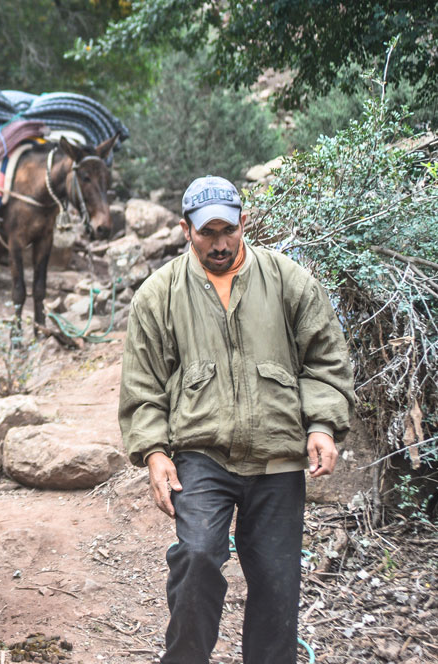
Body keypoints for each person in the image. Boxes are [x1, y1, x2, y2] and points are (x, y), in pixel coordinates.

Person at [117, 175, 355, 664]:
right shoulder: (158, 295)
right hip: (202, 454)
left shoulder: (289, 280)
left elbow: (325, 361)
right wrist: (155, 452)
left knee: (276, 579)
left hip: (278, 454)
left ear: (244, 222)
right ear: (187, 231)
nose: (220, 242)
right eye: (207, 232)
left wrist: (322, 425)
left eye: (229, 229)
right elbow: (143, 387)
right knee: (198, 556)